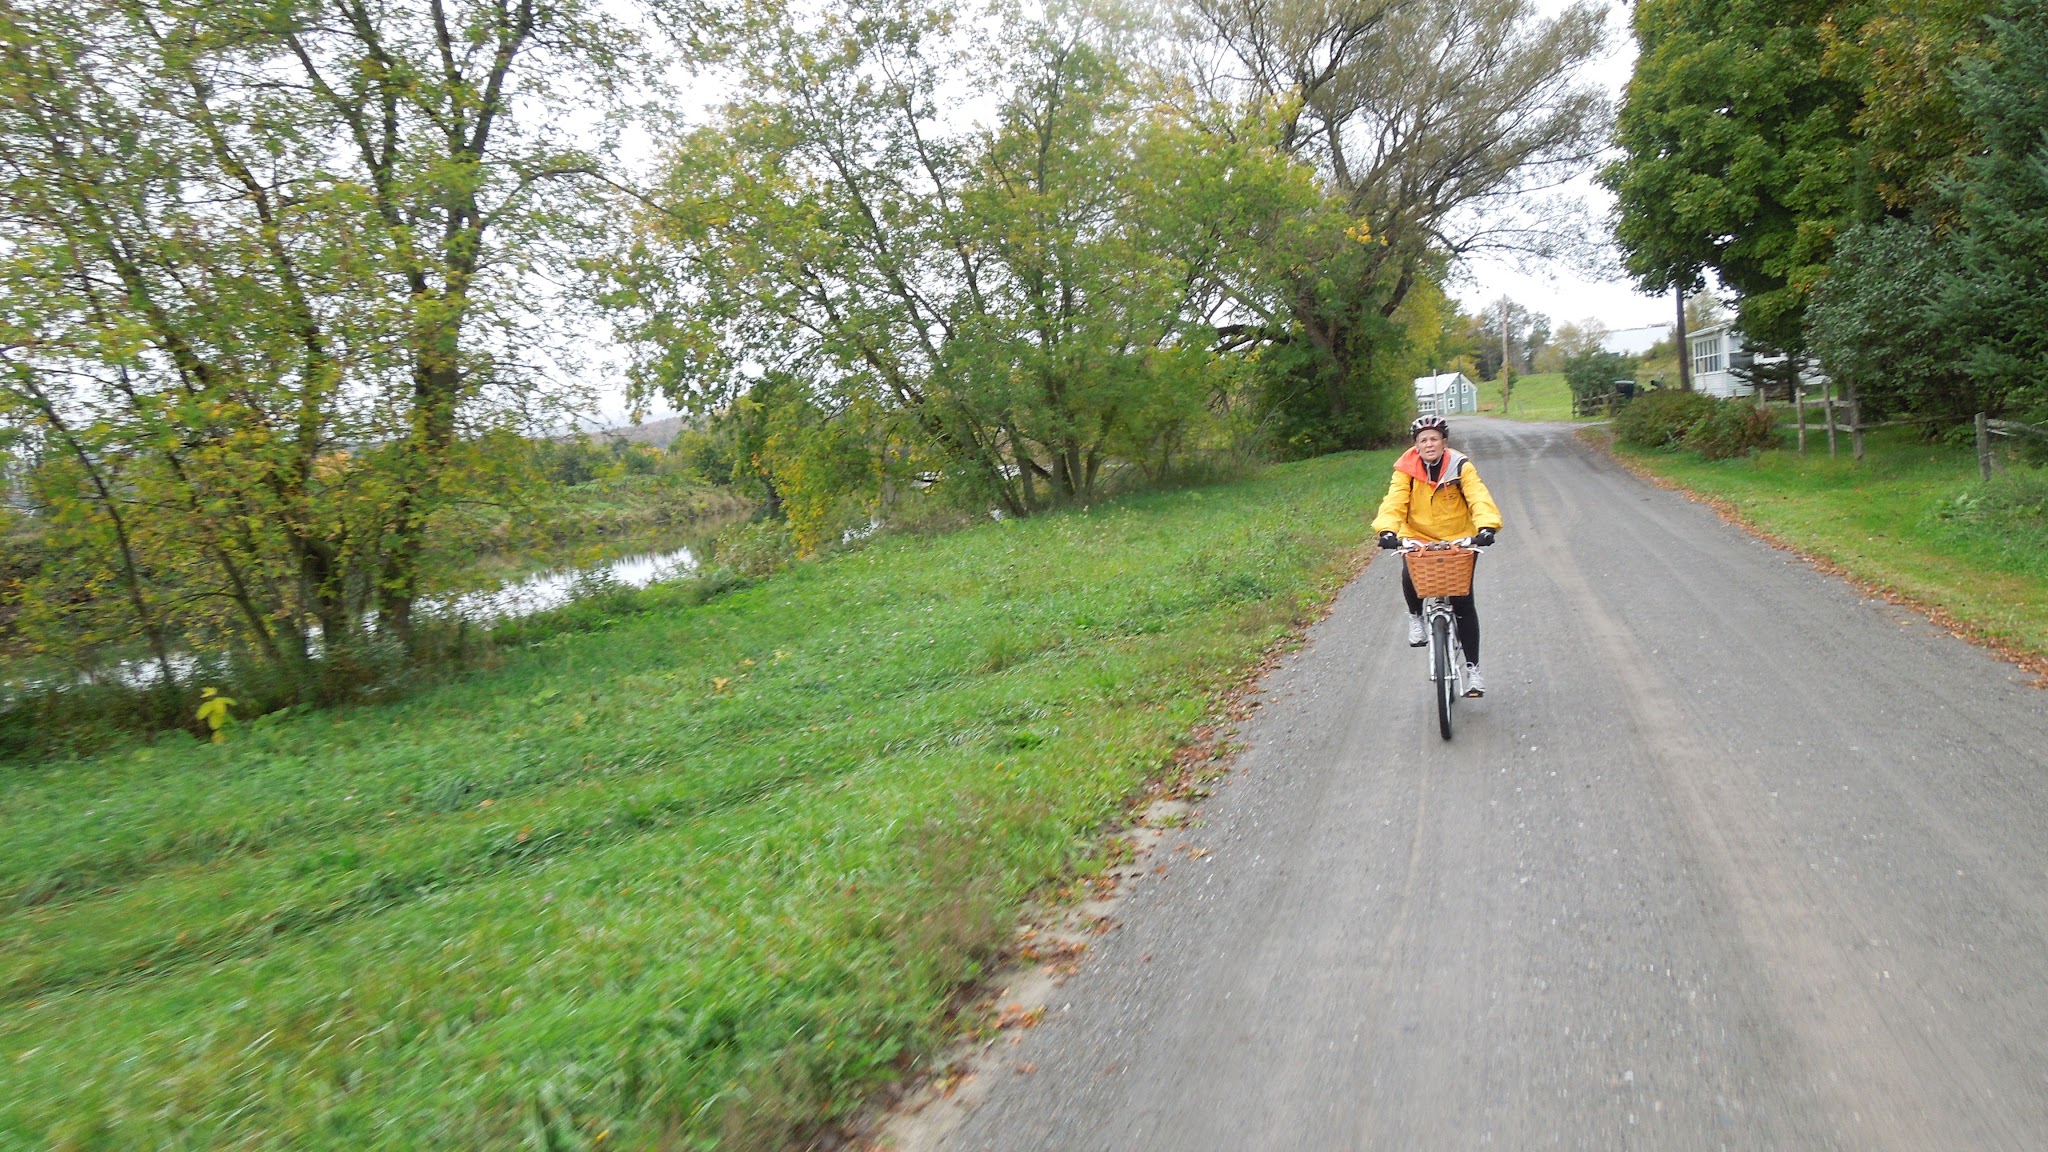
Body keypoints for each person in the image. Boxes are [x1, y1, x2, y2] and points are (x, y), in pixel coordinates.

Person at [1373, 415, 1502, 696]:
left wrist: (1487, 526)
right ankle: (1416, 616)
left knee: (1463, 602)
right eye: (1423, 440)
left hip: (1458, 538)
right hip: (1419, 536)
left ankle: (1473, 671)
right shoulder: (1405, 471)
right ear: (1416, 446)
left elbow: (1478, 495)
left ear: (1444, 442)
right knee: (1411, 571)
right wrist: (1386, 530)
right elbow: (1394, 501)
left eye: (1434, 438)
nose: (1429, 444)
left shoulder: (1460, 466)